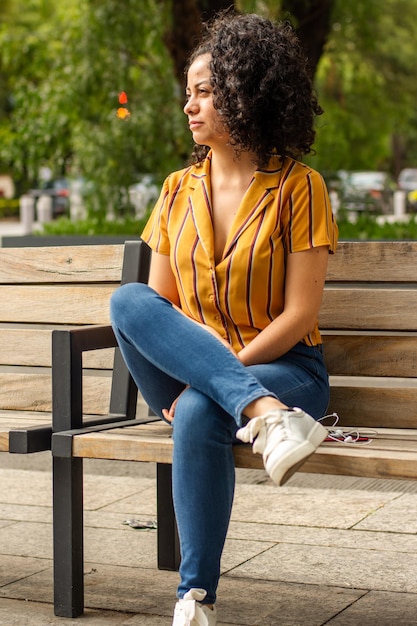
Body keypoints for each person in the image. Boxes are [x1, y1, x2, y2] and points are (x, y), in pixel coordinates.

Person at [110, 10, 338, 626]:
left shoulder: (299, 187)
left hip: (288, 372)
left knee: (205, 409)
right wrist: (208, 377)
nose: (191, 105)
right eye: (188, 93)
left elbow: (300, 315)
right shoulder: (176, 190)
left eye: (206, 91)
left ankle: (194, 600)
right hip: (200, 378)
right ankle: (265, 420)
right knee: (126, 301)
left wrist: (214, 378)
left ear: (245, 91)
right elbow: (156, 310)